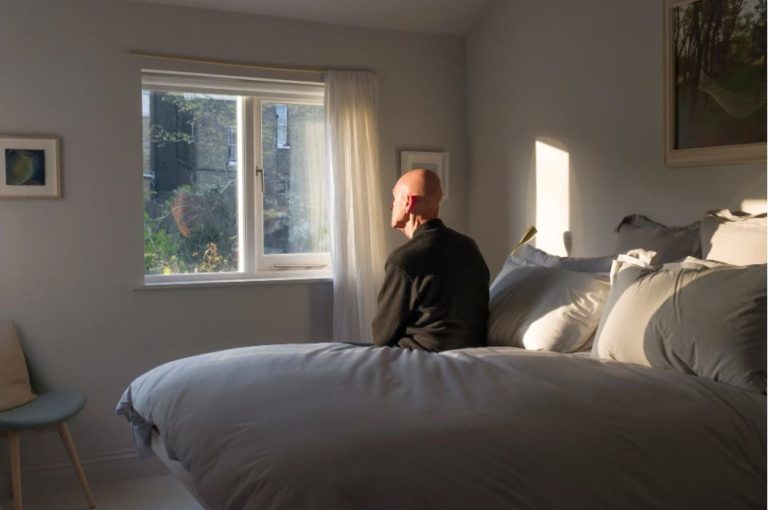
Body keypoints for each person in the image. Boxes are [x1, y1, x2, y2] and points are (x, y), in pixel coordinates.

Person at [371, 169, 490, 352]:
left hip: (420, 355)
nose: (391, 206)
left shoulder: (404, 260)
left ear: (408, 202)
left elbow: (381, 336)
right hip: (470, 354)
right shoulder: (469, 247)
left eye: (395, 199)